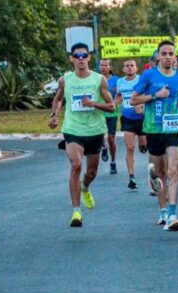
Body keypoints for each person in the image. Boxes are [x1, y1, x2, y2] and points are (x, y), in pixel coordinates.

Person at [48, 43, 115, 227]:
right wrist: (54, 115)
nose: (80, 59)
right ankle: (76, 212)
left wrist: (93, 104)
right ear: (71, 59)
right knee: (76, 165)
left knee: (91, 172)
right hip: (73, 129)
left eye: (83, 55)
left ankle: (85, 187)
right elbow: (59, 98)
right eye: (76, 56)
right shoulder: (65, 80)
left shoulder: (99, 79)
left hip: (94, 130)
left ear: (89, 58)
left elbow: (111, 106)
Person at [131, 40, 178, 231]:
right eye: (164, 54)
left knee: (173, 171)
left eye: (170, 54)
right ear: (158, 56)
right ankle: (163, 210)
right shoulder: (149, 75)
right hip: (153, 129)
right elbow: (134, 99)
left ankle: (173, 214)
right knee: (160, 173)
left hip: (174, 129)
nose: (167, 57)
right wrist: (155, 95)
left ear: (175, 56)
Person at [115, 59, 147, 190]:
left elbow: (148, 95)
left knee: (143, 147)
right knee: (130, 147)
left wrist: (143, 106)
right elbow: (118, 96)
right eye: (126, 66)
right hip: (127, 118)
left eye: (131, 66)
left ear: (136, 68)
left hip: (141, 118)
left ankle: (143, 144)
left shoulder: (141, 80)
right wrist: (113, 103)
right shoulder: (120, 82)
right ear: (123, 69)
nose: (129, 68)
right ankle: (131, 176)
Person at [99, 59, 119, 174]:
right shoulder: (96, 79)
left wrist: (114, 103)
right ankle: (103, 147)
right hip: (99, 112)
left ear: (110, 67)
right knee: (100, 135)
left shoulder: (116, 80)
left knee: (111, 139)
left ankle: (113, 162)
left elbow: (119, 94)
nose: (103, 67)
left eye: (106, 65)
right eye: (101, 65)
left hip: (112, 112)